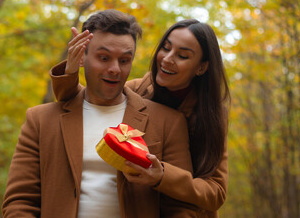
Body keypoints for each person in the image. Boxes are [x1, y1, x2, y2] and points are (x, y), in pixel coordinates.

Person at [2, 9, 199, 217]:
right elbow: (19, 202)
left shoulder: (168, 122)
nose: (115, 69)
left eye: (124, 60)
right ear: (80, 57)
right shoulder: (40, 120)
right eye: (104, 58)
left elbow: (183, 207)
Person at [50, 19, 230, 218]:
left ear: (201, 67)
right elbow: (85, 101)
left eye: (182, 55)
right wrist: (71, 70)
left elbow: (216, 192)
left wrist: (163, 175)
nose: (167, 59)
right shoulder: (137, 90)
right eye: (166, 48)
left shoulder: (211, 117)